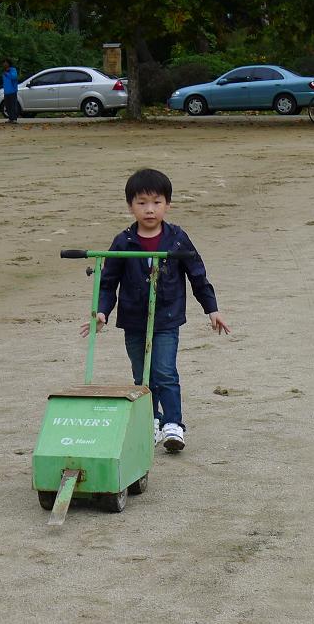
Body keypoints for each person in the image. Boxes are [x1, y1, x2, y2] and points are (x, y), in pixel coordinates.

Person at [80, 168, 231, 453]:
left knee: (165, 372)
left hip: (166, 318)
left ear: (167, 204)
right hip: (133, 318)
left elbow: (197, 274)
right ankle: (151, 419)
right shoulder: (123, 241)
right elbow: (108, 282)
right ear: (131, 206)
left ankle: (173, 423)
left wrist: (212, 309)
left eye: (156, 202)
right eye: (142, 203)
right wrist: (101, 312)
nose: (149, 210)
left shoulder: (177, 239)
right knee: (142, 376)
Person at [1, 59, 20, 123]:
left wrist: (7, 73)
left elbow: (14, 77)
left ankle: (14, 119)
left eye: (6, 62)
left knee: (13, 105)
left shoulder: (13, 70)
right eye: (3, 63)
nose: (4, 64)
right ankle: (10, 118)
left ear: (9, 63)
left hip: (12, 91)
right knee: (7, 106)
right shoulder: (3, 71)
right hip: (6, 91)